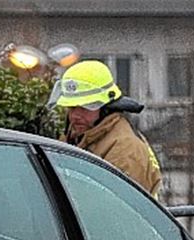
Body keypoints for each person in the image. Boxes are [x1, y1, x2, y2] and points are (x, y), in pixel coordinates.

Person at [49, 60, 162, 197]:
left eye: (85, 107)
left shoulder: (125, 150)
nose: (75, 116)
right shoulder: (78, 135)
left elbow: (115, 205)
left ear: (106, 108)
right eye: (72, 107)